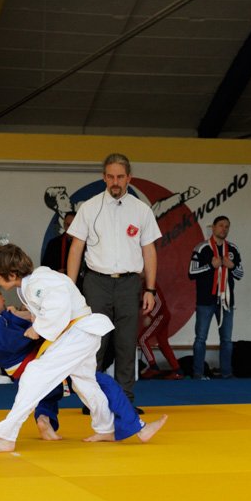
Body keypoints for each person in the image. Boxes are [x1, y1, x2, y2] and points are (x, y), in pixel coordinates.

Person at [0, 277, 165, 442]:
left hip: (24, 365)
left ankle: (46, 420)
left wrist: (23, 319)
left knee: (51, 390)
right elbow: (9, 343)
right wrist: (35, 332)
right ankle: (138, 427)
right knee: (101, 382)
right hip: (29, 361)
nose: (3, 299)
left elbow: (17, 330)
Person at [0, 244, 117, 454]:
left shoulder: (37, 282)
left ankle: (6, 436)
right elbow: (47, 308)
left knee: (33, 375)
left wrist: (38, 329)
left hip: (78, 333)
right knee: (84, 382)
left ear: (11, 274)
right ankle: (106, 428)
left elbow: (57, 306)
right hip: (81, 333)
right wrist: (27, 318)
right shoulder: (31, 284)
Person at [66, 153, 161, 410]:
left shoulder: (141, 210)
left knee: (126, 344)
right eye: (110, 177)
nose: (115, 182)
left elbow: (149, 251)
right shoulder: (89, 207)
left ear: (129, 178)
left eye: (120, 177)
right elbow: (76, 248)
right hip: (96, 282)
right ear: (104, 177)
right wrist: (70, 288)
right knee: (94, 343)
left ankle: (125, 401)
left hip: (129, 283)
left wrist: (150, 289)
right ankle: (92, 401)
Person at [188, 215, 243, 379]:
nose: (224, 229)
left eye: (227, 226)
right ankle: (198, 373)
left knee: (226, 339)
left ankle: (226, 373)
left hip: (226, 301)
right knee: (200, 338)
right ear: (213, 227)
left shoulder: (233, 249)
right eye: (221, 225)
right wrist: (210, 266)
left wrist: (231, 266)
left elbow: (240, 274)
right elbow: (191, 273)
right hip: (205, 300)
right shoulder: (201, 248)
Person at [138, 283, 183, 379]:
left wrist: (150, 316)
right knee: (163, 344)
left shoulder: (150, 284)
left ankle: (153, 367)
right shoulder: (144, 284)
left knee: (142, 339)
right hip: (163, 315)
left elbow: (159, 303)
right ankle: (178, 371)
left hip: (160, 316)